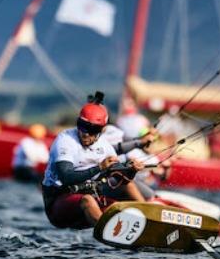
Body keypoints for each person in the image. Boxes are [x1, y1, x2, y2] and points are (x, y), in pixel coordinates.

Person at [41, 94, 146, 229]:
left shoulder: (105, 146)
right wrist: (99, 167)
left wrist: (131, 170)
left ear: (101, 130)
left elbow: (121, 178)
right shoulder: (65, 140)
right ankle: (110, 233)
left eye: (91, 129)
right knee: (88, 200)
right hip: (58, 203)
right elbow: (66, 177)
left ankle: (148, 219)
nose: (85, 133)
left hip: (87, 199)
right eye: (82, 126)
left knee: (125, 191)